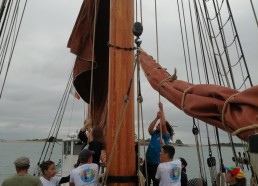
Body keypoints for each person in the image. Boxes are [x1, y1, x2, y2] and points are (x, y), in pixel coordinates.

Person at [143, 102, 173, 186]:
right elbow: (149, 129)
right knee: (145, 182)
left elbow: (163, 125)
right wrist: (157, 118)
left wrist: (161, 109)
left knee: (157, 183)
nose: (157, 125)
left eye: (158, 125)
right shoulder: (155, 133)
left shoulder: (166, 136)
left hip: (156, 164)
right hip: (147, 162)